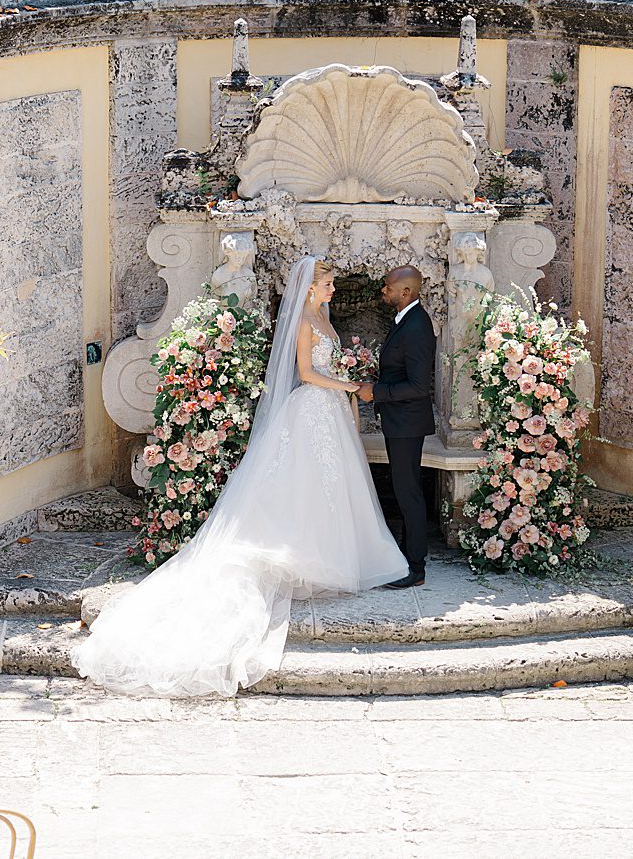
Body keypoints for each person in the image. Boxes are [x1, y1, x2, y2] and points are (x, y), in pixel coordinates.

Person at [71, 256, 410, 697]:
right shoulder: (305, 323)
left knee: (332, 486)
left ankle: (336, 553)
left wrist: (345, 389)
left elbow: (328, 368)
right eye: (327, 285)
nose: (332, 291)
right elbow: (307, 373)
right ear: (310, 287)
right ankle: (299, 554)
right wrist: (349, 388)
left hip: (330, 414)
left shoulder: (323, 316)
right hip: (310, 410)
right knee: (303, 484)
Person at [358, 264, 437, 588]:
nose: (383, 291)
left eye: (388, 286)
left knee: (409, 494)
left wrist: (376, 392)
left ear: (406, 291)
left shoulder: (417, 326)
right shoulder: (406, 320)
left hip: (407, 422)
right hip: (399, 421)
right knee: (406, 492)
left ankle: (415, 569)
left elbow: (420, 386)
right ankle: (407, 558)